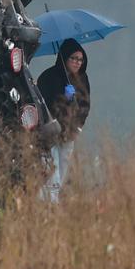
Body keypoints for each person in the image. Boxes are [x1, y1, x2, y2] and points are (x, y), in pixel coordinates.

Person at [36, 38, 90, 201]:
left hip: (69, 134)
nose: (77, 63)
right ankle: (51, 205)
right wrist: (64, 98)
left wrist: (78, 128)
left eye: (80, 59)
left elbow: (85, 106)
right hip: (50, 134)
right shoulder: (48, 77)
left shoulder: (82, 79)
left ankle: (51, 201)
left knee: (63, 169)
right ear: (64, 58)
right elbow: (42, 104)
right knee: (53, 170)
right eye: (73, 58)